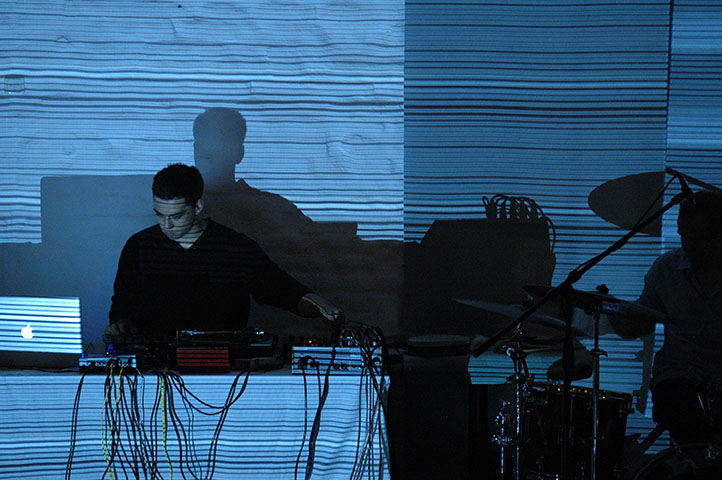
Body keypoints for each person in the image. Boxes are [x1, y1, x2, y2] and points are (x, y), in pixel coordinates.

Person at [105, 163, 342, 337]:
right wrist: (120, 323)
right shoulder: (139, 246)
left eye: (176, 216)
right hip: (155, 368)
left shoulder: (235, 247)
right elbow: (123, 303)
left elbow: (282, 290)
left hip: (223, 366)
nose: (166, 225)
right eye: (159, 215)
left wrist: (321, 307)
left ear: (198, 206)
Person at [612, 189, 722, 445]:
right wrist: (617, 315)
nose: (687, 245)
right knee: (681, 407)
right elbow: (641, 321)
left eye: (695, 238)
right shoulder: (667, 269)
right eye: (683, 236)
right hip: (678, 377)